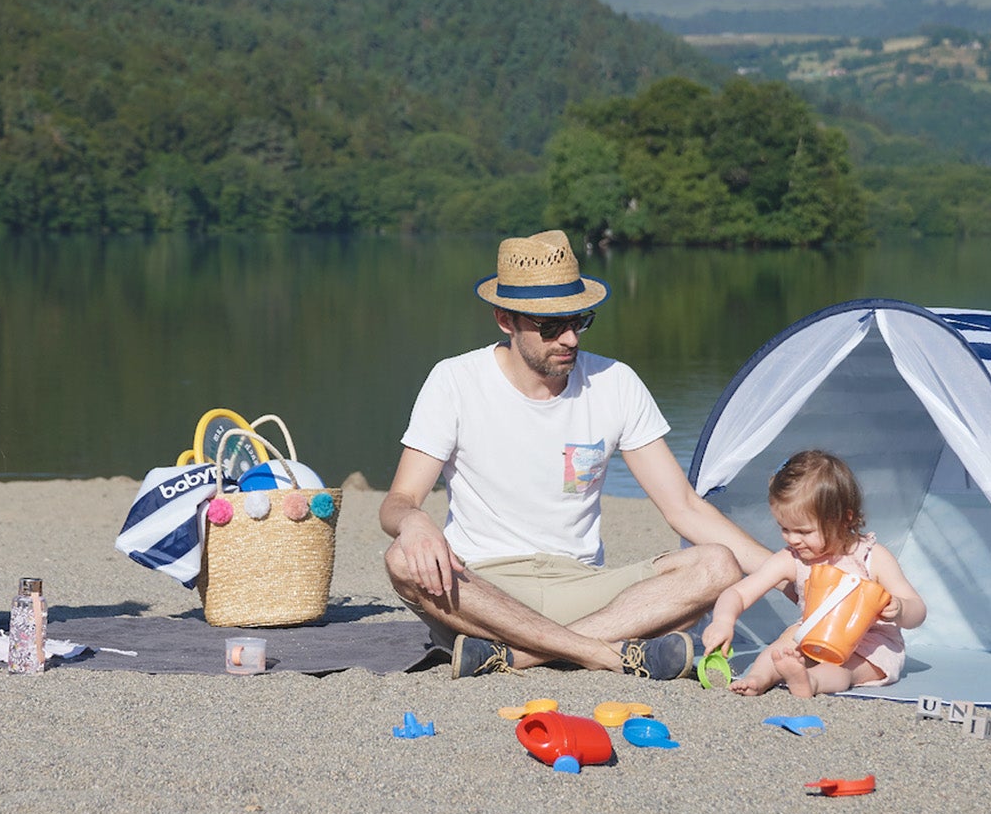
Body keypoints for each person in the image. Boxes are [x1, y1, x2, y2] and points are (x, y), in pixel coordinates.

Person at [380, 230, 771, 678]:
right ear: (505, 320)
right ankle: (605, 654)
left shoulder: (616, 382)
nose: (569, 338)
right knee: (400, 559)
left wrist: (795, 574)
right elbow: (398, 503)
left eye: (579, 321)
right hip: (483, 589)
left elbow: (684, 508)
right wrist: (415, 523)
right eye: (549, 327)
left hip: (584, 586)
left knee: (716, 564)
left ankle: (524, 657)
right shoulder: (454, 381)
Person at [702, 449, 926, 698]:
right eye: (784, 528)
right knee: (780, 649)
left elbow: (918, 610)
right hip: (812, 634)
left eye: (804, 531)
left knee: (845, 670)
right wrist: (723, 620)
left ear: (844, 519)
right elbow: (740, 593)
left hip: (870, 644)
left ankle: (810, 681)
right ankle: (758, 679)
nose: (792, 539)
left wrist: (901, 609)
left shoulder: (873, 557)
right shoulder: (792, 559)